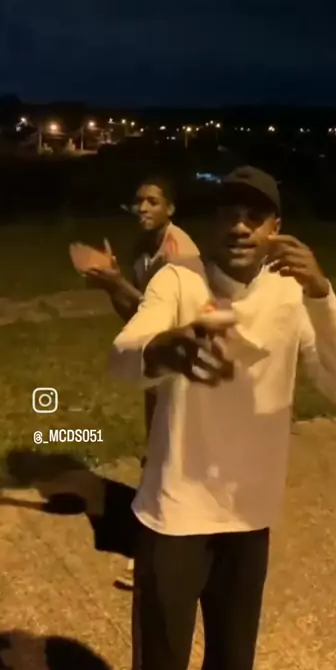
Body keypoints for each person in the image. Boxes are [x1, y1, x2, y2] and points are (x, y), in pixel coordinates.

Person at [110, 165, 336, 670]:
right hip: (174, 516)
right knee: (160, 665)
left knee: (232, 664)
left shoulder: (291, 293)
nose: (240, 227)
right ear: (213, 222)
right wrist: (161, 350)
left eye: (255, 216)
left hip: (249, 519)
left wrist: (321, 293)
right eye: (229, 214)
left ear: (276, 228)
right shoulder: (179, 280)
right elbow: (123, 356)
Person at [69, 175, 199, 589]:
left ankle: (162, 556)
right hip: (158, 364)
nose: (143, 208)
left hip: (185, 370)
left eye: (153, 201)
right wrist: (111, 285)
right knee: (161, 454)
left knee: (173, 457)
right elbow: (135, 316)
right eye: (139, 200)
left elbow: (162, 316)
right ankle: (160, 547)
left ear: (170, 209)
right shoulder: (144, 250)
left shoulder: (180, 253)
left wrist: (115, 281)